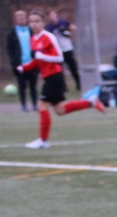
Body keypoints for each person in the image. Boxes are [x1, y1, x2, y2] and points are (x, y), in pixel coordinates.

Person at [17, 10, 105, 149]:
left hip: (54, 76)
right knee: (60, 110)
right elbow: (37, 61)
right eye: (31, 21)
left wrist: (42, 56)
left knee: (42, 105)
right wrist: (23, 68)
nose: (33, 24)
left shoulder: (48, 37)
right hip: (49, 77)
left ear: (43, 22)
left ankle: (43, 141)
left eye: (37, 21)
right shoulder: (33, 39)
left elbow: (59, 57)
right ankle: (90, 102)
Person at [7, 10, 38, 112]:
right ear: (16, 20)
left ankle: (35, 105)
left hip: (32, 63)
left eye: (22, 18)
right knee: (22, 86)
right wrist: (14, 62)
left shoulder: (31, 31)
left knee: (33, 86)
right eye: (18, 19)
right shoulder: (12, 34)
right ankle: (24, 106)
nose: (21, 20)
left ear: (26, 19)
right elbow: (10, 49)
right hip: (20, 65)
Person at [45, 10, 80, 91]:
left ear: (56, 15)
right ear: (49, 18)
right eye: (50, 16)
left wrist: (67, 30)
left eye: (53, 15)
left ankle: (79, 84)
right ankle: (63, 87)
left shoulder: (63, 22)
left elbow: (73, 28)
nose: (52, 17)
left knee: (73, 67)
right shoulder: (48, 27)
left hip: (68, 48)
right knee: (60, 70)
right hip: (58, 51)